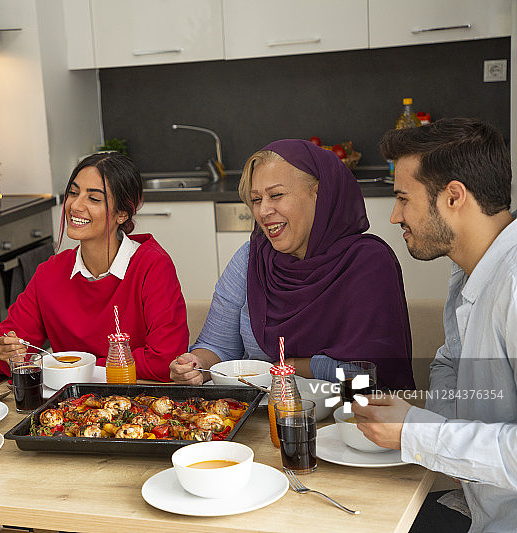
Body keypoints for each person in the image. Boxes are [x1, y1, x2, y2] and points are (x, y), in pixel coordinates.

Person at [353, 118, 517, 533]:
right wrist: (432, 436)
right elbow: (449, 363)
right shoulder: (471, 269)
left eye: (403, 199)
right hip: (477, 509)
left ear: (454, 197)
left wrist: (417, 432)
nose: (395, 216)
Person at [170, 139, 415, 389]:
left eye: (276, 195)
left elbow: (370, 377)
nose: (263, 211)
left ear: (319, 194)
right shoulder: (250, 258)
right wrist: (196, 365)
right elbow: (217, 346)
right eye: (256, 200)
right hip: (261, 410)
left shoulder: (369, 263)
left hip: (349, 411)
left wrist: (290, 366)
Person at [0, 152, 188, 381]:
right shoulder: (50, 273)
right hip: (72, 400)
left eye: (94, 198)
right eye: (73, 193)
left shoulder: (153, 267)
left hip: (140, 398)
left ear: (122, 214)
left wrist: (76, 366)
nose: (75, 205)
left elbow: (166, 360)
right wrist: (7, 352)